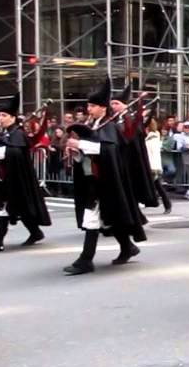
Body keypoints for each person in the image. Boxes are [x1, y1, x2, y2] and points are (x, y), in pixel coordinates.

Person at [62, 77, 148, 275]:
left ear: (103, 108)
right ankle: (128, 247)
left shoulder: (109, 127)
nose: (88, 109)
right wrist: (75, 153)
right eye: (88, 106)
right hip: (94, 179)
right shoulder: (94, 127)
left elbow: (108, 151)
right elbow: (92, 153)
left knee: (92, 218)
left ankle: (85, 260)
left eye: (92, 106)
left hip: (106, 180)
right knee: (109, 216)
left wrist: (80, 145)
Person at [0, 92, 52, 253]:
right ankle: (36, 233)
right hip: (5, 178)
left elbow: (13, 153)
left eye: (4, 115)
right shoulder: (5, 133)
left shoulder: (18, 134)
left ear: (12, 117)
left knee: (3, 209)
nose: (0, 118)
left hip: (16, 179)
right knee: (19, 208)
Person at [110, 82, 159, 213]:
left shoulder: (130, 118)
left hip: (131, 160)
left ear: (124, 105)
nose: (113, 106)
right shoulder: (114, 119)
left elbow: (133, 135)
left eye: (116, 104)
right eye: (112, 104)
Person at [144, 116, 172, 214]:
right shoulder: (150, 136)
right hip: (149, 164)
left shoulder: (153, 136)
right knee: (158, 186)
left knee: (155, 186)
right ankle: (166, 204)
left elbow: (151, 152)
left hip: (152, 165)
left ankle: (164, 204)